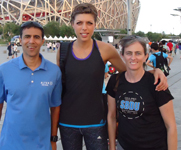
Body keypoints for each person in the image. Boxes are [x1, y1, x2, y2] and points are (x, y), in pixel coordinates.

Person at [56, 3, 168, 150]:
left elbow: (127, 70)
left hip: (96, 121)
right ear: (72, 24)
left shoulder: (105, 49)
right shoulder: (63, 50)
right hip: (67, 122)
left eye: (89, 23)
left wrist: (155, 71)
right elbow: (57, 87)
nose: (84, 28)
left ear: (95, 24)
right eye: (79, 23)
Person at [0, 21, 62, 150]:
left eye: (36, 37)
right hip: (10, 143)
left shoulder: (54, 72)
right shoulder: (4, 70)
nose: (31, 41)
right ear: (20, 40)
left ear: (42, 41)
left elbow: (55, 108)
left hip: (42, 144)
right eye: (27, 36)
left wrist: (53, 139)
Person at [106, 35, 177, 150]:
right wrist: (112, 147)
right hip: (124, 145)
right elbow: (111, 116)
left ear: (146, 56)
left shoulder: (156, 82)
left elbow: (171, 126)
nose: (133, 58)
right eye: (129, 53)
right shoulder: (115, 81)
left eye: (138, 53)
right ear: (122, 56)